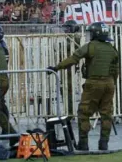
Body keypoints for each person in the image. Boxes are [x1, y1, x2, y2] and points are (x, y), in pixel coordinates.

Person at [49, 22, 118, 151]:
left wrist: (56, 67)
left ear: (95, 34)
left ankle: (83, 143)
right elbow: (115, 70)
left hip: (93, 83)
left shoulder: (90, 47)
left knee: (84, 112)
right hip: (109, 83)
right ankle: (104, 143)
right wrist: (112, 84)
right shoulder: (112, 49)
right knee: (107, 114)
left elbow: (73, 59)